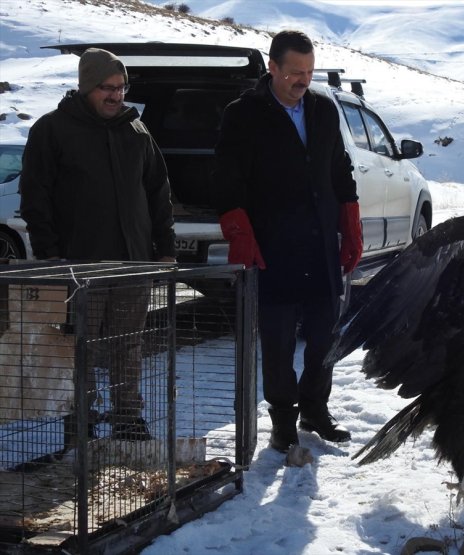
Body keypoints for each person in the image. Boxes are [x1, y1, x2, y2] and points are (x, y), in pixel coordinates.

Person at [213, 30, 363, 453]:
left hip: (320, 245)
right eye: (296, 73)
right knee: (278, 343)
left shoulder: (322, 108)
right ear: (273, 68)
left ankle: (316, 409)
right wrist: (239, 232)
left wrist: (350, 226)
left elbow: (340, 169)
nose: (303, 80)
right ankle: (283, 420)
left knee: (323, 336)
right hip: (273, 247)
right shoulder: (243, 114)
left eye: (310, 72)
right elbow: (226, 180)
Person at [19, 48, 176, 441]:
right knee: (81, 345)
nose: (115, 96)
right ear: (86, 87)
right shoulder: (52, 129)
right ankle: (80, 418)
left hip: (133, 261)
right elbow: (34, 196)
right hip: (78, 262)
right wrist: (50, 254)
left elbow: (158, 191)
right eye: (107, 88)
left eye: (121, 88)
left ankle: (127, 417)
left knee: (128, 343)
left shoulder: (136, 130)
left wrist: (165, 247)